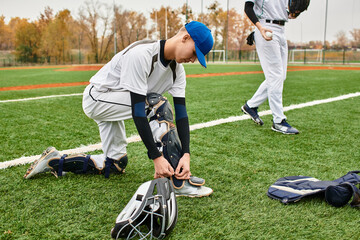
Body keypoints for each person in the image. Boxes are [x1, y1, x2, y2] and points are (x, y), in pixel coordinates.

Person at [24, 21, 214, 198]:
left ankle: (55, 161)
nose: (194, 59)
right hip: (98, 97)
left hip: (115, 103)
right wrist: (156, 157)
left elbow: (182, 114)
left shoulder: (177, 71)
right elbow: (139, 111)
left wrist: (186, 154)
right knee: (156, 104)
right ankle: (177, 182)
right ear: (185, 37)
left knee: (115, 163)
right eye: (195, 52)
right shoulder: (143, 54)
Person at [241, 0, 300, 134]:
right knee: (275, 76)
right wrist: (259, 28)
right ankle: (278, 121)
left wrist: (295, 13)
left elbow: (288, 12)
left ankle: (250, 106)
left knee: (280, 76)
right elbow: (248, 7)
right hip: (266, 29)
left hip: (281, 30)